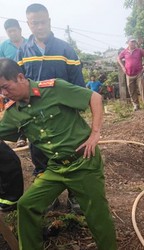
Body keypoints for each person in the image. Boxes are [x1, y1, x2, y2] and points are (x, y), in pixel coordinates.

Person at [0, 58, 117, 250]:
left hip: (83, 162)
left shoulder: (54, 88)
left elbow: (94, 98)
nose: (4, 94)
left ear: (20, 77)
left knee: (97, 215)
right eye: (0, 90)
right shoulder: (13, 112)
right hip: (55, 167)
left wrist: (95, 133)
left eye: (6, 87)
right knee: (27, 205)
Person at [16, 3, 85, 213]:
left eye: (42, 21)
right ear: (28, 24)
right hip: (36, 117)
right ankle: (50, 196)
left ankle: (76, 197)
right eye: (34, 23)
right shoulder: (23, 52)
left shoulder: (66, 49)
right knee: (40, 156)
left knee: (71, 154)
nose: (39, 26)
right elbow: (19, 83)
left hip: (63, 115)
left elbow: (77, 83)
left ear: (49, 21)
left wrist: (78, 108)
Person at [0, 18, 28, 147]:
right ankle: (20, 135)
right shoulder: (4, 47)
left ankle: (28, 133)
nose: (12, 34)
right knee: (15, 110)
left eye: (14, 31)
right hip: (10, 86)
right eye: (9, 31)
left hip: (26, 83)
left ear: (20, 30)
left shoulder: (29, 44)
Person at [117, 37, 144, 111]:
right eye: (131, 42)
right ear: (128, 42)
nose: (133, 43)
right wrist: (123, 67)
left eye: (134, 42)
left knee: (142, 88)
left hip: (139, 73)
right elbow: (118, 58)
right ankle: (136, 105)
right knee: (131, 90)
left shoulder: (139, 50)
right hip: (129, 74)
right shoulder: (124, 51)